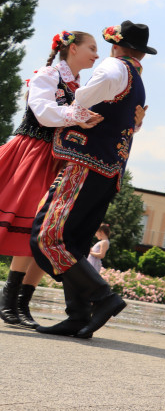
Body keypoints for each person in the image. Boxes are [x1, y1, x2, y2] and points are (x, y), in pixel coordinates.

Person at [31, 21, 153, 339]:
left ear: (116, 46)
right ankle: (77, 315)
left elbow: (85, 100)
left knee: (48, 238)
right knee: (75, 243)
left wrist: (77, 105)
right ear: (142, 51)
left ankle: (104, 297)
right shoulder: (137, 80)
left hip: (86, 164)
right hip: (109, 170)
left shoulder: (114, 67)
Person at [1, 30, 100, 329]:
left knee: (47, 233)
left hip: (57, 159)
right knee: (35, 226)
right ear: (72, 49)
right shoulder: (47, 75)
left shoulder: (78, 86)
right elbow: (43, 113)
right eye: (92, 48)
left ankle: (21, 303)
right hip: (32, 154)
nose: (97, 54)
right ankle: (9, 301)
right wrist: (78, 116)